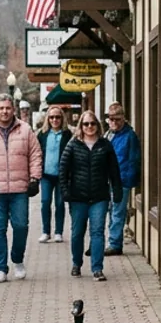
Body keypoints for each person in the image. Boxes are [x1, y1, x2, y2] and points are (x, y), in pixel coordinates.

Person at [0, 95, 41, 283]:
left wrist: (35, 177)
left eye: (8, 108)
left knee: (21, 226)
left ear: (13, 110)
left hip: (20, 189)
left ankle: (17, 259)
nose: (5, 111)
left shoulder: (25, 130)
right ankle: (1, 267)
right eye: (1, 108)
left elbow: (35, 154)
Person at [59, 108, 121, 281]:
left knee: (98, 232)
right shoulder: (72, 145)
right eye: (86, 124)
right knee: (77, 232)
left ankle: (97, 268)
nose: (89, 127)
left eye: (92, 123)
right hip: (77, 198)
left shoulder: (105, 145)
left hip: (99, 197)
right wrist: (65, 192)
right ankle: (76, 263)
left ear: (97, 125)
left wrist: (117, 192)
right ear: (81, 125)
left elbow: (114, 171)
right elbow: (63, 171)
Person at [103, 101, 140, 255]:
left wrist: (128, 180)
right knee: (111, 210)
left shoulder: (130, 136)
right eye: (111, 119)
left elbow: (133, 160)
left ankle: (114, 243)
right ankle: (114, 240)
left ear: (123, 118)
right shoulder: (108, 135)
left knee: (117, 211)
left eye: (117, 119)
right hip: (108, 179)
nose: (114, 122)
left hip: (122, 179)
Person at [36, 106, 72, 243]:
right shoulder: (43, 134)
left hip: (62, 175)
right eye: (52, 117)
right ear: (48, 119)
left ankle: (58, 232)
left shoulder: (67, 134)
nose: (55, 120)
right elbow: (37, 153)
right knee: (45, 202)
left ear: (62, 118)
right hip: (46, 175)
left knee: (60, 203)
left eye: (57, 117)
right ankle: (46, 231)